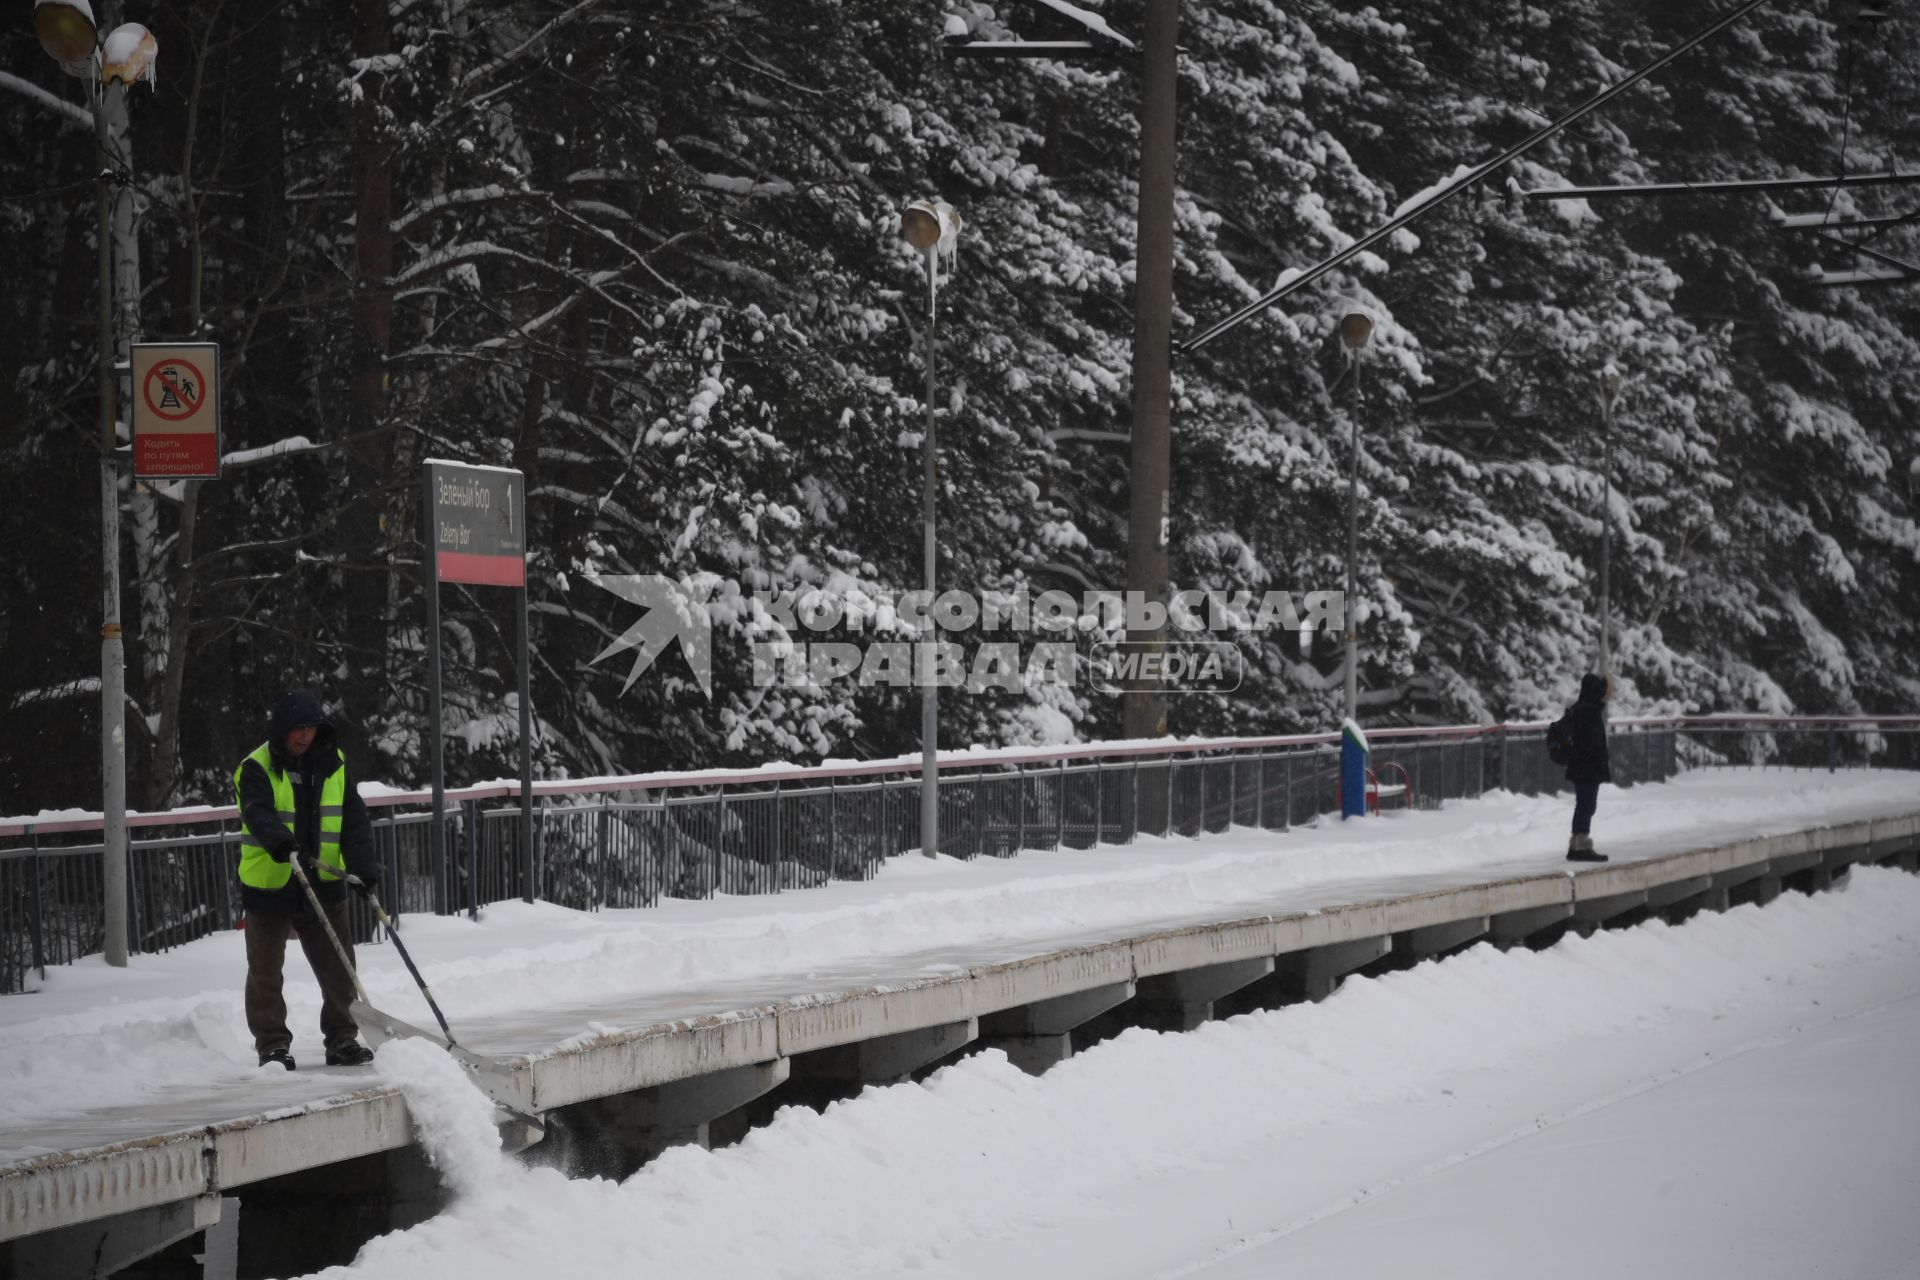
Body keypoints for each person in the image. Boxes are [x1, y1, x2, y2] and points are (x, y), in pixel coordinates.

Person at [233, 689, 381, 1069]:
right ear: (282, 730)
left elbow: (354, 819)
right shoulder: (255, 766)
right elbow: (257, 812)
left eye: (311, 729)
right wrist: (281, 842)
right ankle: (272, 1045)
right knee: (265, 972)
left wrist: (363, 867)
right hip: (271, 883)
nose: (304, 736)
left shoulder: (335, 765)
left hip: (322, 881)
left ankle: (342, 1039)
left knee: (339, 967)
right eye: (298, 729)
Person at [1565, 673, 1612, 863]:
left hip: (1581, 767)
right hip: (1587, 768)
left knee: (1584, 804)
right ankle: (1580, 846)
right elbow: (1591, 743)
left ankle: (1577, 843)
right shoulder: (1589, 712)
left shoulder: (1581, 709)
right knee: (1586, 805)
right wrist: (1599, 759)